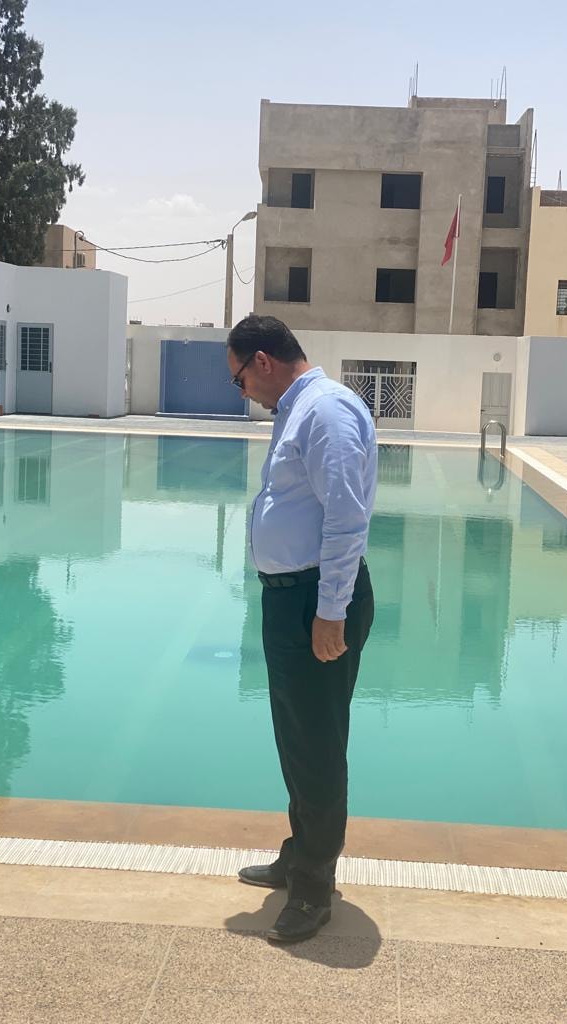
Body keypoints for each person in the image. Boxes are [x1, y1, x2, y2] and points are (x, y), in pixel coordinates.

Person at [227, 315, 377, 944]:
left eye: (238, 378)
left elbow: (347, 518)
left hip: (317, 600)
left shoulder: (326, 411)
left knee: (315, 742)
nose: (242, 391)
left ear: (262, 361)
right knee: (296, 737)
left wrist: (330, 610)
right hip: (292, 600)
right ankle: (300, 854)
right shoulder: (298, 410)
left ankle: (315, 885)